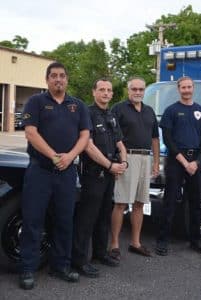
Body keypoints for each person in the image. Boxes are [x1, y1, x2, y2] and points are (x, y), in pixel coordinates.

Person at [19, 62, 90, 290]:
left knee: (64, 220)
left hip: (66, 173)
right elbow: (31, 133)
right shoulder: (36, 102)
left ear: (67, 80)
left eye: (62, 76)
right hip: (40, 171)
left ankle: (61, 266)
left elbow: (85, 136)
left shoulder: (77, 105)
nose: (58, 79)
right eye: (54, 76)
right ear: (47, 80)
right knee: (32, 221)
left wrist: (69, 157)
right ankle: (27, 269)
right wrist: (53, 156)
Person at [72, 78, 127, 277]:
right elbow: (88, 145)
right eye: (101, 89)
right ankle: (79, 260)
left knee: (104, 215)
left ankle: (100, 253)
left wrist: (124, 163)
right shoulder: (86, 113)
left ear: (112, 94)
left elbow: (120, 143)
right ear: (94, 92)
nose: (105, 93)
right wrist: (111, 165)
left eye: (109, 90)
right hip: (93, 174)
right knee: (87, 218)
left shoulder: (111, 115)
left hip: (110, 174)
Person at [155, 76, 201, 256]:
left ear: (193, 88)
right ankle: (163, 240)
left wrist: (196, 161)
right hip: (176, 161)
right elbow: (168, 139)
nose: (186, 90)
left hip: (195, 161)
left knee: (195, 202)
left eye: (189, 87)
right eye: (183, 87)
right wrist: (184, 161)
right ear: (178, 89)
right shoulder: (171, 111)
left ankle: (196, 240)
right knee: (170, 202)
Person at [109, 77, 159, 260]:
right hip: (126, 158)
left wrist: (155, 162)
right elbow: (113, 135)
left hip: (146, 159)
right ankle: (114, 244)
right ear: (128, 90)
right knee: (121, 203)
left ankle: (135, 243)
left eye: (141, 89)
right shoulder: (118, 109)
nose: (138, 92)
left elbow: (155, 138)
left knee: (139, 203)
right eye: (134, 89)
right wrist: (119, 158)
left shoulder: (149, 111)